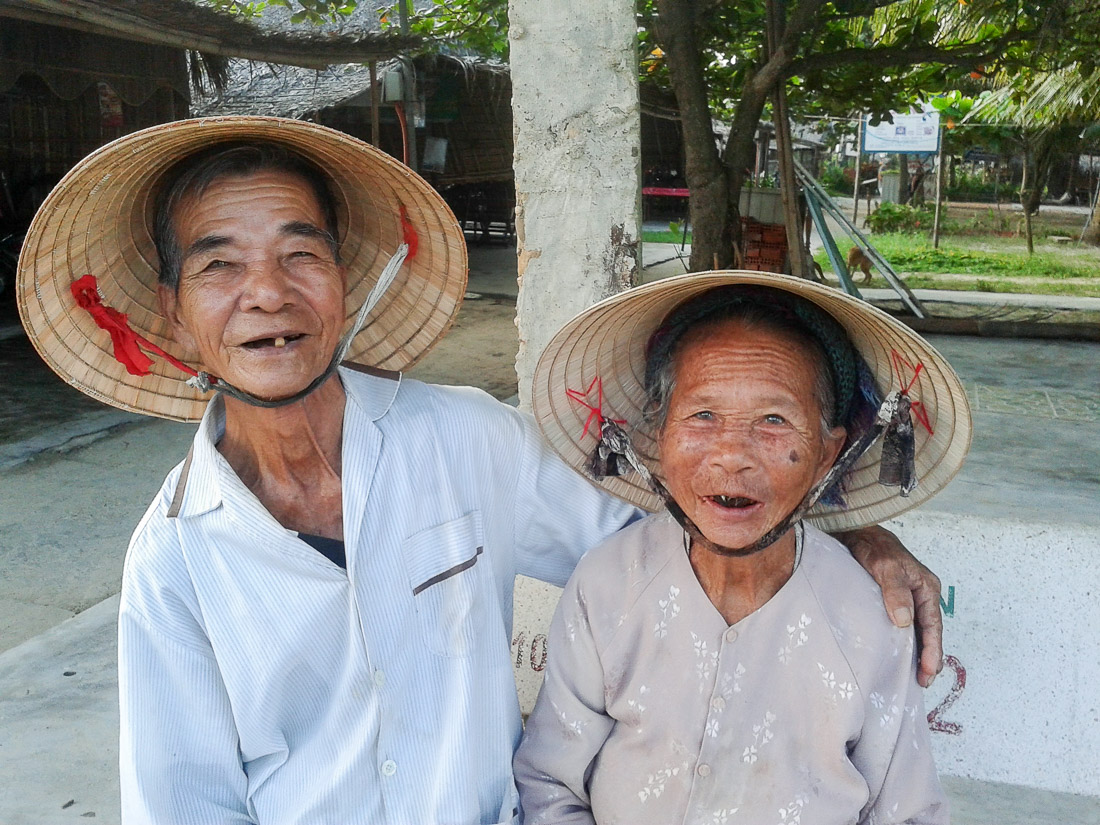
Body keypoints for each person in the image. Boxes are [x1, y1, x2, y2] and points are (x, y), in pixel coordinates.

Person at [17, 117, 945, 824]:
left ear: (346, 283)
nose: (269, 293)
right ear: (175, 315)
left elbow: (681, 515)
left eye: (303, 253)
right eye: (221, 265)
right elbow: (183, 802)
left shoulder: (465, 440)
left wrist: (847, 534)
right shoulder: (173, 555)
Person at [515, 272, 972, 824]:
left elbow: (907, 813)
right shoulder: (607, 583)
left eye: (774, 420)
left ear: (829, 454)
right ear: (659, 437)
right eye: (703, 415)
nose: (733, 454)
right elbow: (549, 784)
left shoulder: (870, 614)